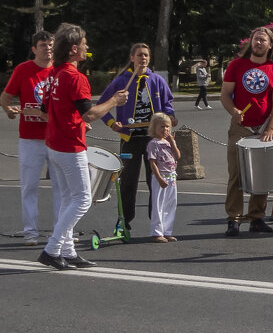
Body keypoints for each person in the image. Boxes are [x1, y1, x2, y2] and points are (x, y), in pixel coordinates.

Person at [38, 23, 129, 269]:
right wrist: (113, 101)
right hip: (69, 145)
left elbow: (47, 110)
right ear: (74, 49)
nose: (88, 47)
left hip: (54, 143)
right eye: (85, 43)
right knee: (82, 199)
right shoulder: (75, 77)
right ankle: (52, 248)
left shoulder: (54, 74)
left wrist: (73, 119)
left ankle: (67, 251)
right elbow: (89, 114)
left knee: (69, 198)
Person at [99, 43, 177, 236]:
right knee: (128, 182)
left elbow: (168, 104)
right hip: (130, 137)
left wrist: (170, 117)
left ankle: (158, 226)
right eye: (139, 55)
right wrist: (112, 123)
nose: (143, 58)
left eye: (146, 56)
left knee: (157, 182)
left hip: (154, 139)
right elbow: (101, 105)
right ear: (132, 58)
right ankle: (123, 222)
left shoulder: (156, 80)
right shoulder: (121, 81)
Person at [220, 26, 273, 237]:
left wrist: (271, 128)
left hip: (264, 127)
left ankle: (256, 218)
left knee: (262, 173)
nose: (259, 43)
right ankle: (234, 218)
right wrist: (234, 111)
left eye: (263, 40)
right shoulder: (236, 65)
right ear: (251, 42)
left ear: (270, 44)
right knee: (236, 174)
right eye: (256, 39)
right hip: (240, 128)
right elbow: (225, 96)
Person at [1, 30, 54, 246]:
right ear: (34, 49)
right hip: (30, 139)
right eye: (43, 45)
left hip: (56, 139)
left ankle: (61, 231)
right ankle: (30, 232)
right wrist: (9, 110)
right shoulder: (24, 70)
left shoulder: (61, 70)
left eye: (51, 44)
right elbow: (5, 98)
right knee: (30, 187)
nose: (48, 48)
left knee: (61, 187)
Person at [146, 112, 181, 243]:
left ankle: (167, 231)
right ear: (154, 128)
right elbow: (152, 163)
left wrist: (172, 142)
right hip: (160, 177)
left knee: (170, 204)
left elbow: (177, 156)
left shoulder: (169, 142)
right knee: (158, 205)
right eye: (162, 127)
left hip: (172, 177)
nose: (165, 129)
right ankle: (157, 232)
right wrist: (159, 178)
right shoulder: (153, 143)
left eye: (167, 127)